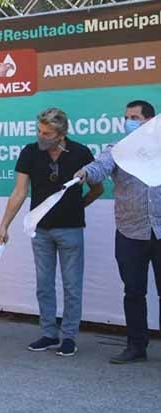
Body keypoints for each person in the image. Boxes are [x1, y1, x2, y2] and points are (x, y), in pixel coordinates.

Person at [0, 108, 104, 357]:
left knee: (72, 286)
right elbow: (19, 192)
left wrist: (79, 206)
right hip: (40, 230)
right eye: (39, 131)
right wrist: (4, 225)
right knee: (44, 285)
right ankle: (48, 333)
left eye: (47, 133)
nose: (41, 136)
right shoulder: (30, 152)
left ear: (61, 133)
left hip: (71, 230)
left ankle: (69, 338)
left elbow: (97, 188)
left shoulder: (80, 152)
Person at [75, 100, 160, 364]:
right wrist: (85, 174)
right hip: (129, 231)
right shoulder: (118, 149)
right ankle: (136, 346)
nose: (129, 121)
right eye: (127, 117)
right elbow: (99, 167)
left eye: (134, 117)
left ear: (150, 121)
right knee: (133, 292)